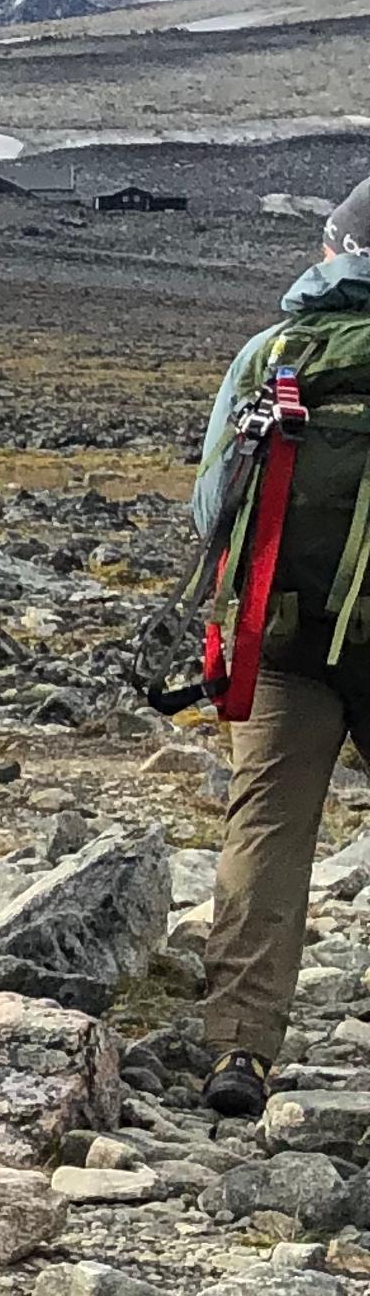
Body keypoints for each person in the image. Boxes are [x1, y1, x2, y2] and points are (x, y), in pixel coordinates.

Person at [191, 172, 370, 1115]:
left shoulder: (272, 353)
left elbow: (210, 508)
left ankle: (239, 1049)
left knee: (266, 829)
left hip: (286, 638)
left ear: (333, 251)